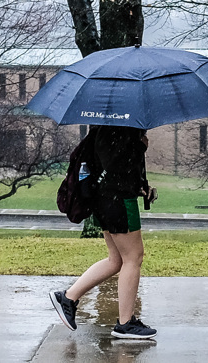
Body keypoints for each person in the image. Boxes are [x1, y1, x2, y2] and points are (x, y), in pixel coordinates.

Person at [50, 126, 158, 339]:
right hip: (118, 202)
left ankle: (68, 298)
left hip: (106, 199)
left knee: (116, 260)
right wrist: (139, 146)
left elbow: (109, 168)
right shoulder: (119, 127)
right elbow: (116, 165)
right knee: (133, 257)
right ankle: (125, 323)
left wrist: (139, 186)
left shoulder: (107, 124)